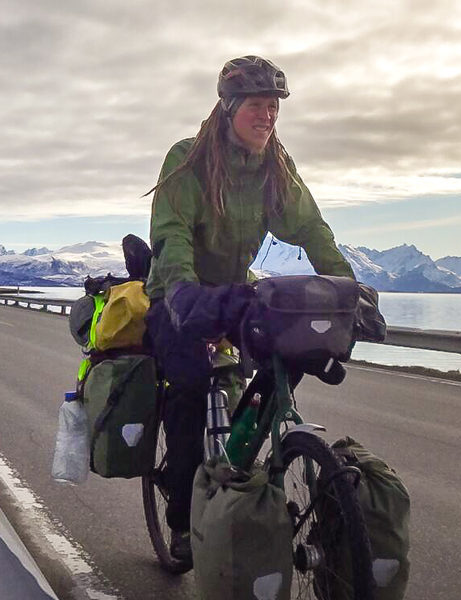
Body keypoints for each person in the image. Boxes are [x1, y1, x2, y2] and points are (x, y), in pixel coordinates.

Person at [144, 55, 355, 569]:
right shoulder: (189, 160)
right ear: (229, 106)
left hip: (236, 294)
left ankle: (249, 462)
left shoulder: (274, 167)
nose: (268, 116)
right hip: (180, 295)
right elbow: (171, 236)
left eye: (274, 107)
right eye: (258, 106)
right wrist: (182, 294)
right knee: (190, 387)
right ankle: (181, 521)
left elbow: (309, 228)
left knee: (281, 362)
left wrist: (348, 284)